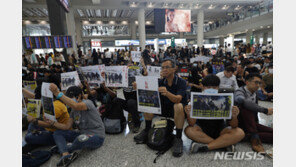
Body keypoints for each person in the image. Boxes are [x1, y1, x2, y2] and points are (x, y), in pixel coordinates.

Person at [133, 58, 188, 157]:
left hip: (176, 111)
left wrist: (167, 93)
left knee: (178, 106)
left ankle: (178, 138)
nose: (164, 69)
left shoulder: (181, 82)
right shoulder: (160, 81)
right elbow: (147, 90)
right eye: (162, 67)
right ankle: (147, 129)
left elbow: (178, 99)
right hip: (162, 109)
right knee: (147, 99)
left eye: (167, 67)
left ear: (174, 69)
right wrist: (139, 87)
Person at [184, 74, 245, 153]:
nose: (211, 89)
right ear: (202, 87)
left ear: (218, 87)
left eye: (215, 87)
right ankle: (222, 144)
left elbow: (234, 125)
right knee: (188, 130)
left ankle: (206, 146)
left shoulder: (225, 99)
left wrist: (234, 116)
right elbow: (192, 124)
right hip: (201, 131)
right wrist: (188, 114)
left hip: (220, 129)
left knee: (240, 132)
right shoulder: (195, 99)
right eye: (208, 87)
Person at [48, 84, 105, 167]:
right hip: (81, 133)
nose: (69, 101)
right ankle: (66, 155)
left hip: (97, 136)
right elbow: (66, 127)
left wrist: (57, 93)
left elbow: (76, 105)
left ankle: (64, 149)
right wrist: (53, 123)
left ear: (79, 96)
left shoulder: (87, 103)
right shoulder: (73, 111)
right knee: (58, 133)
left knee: (80, 139)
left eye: (71, 98)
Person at [234, 73, 273, 153]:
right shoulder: (239, 91)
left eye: (260, 83)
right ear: (247, 82)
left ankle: (246, 136)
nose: (258, 85)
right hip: (239, 123)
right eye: (256, 82)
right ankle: (255, 140)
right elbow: (242, 101)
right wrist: (265, 110)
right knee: (246, 108)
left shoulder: (255, 93)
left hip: (251, 124)